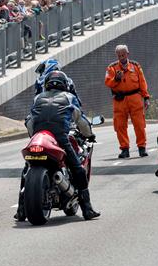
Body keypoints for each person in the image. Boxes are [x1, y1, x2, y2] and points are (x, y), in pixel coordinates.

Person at [14, 71, 100, 221]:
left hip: (39, 136)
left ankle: (21, 211)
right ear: (65, 84)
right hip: (60, 136)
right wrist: (89, 134)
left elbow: (30, 121)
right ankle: (87, 209)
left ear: (46, 84)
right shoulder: (70, 98)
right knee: (78, 170)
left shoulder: (37, 98)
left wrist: (34, 136)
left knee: (26, 169)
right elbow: (81, 121)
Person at [105, 44, 150, 158]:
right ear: (117, 55)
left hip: (135, 98)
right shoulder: (112, 68)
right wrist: (116, 79)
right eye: (119, 55)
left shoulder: (135, 66)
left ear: (127, 54)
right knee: (120, 126)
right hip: (120, 100)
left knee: (139, 125)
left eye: (123, 54)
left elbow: (142, 82)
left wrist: (146, 97)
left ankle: (142, 147)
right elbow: (108, 82)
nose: (121, 57)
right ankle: (124, 149)